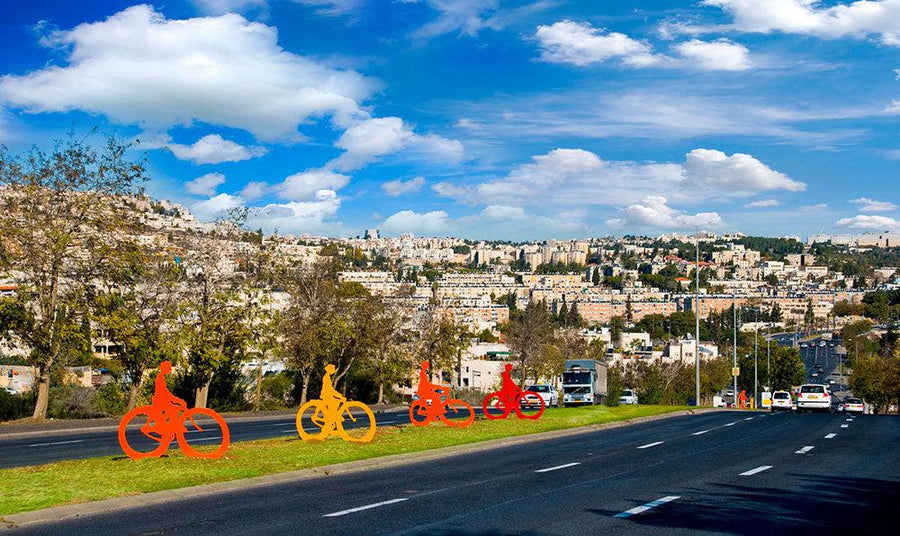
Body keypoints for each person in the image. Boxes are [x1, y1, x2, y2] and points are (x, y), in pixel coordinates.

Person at [144, 360, 187, 438]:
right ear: (165, 368)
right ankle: (165, 429)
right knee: (175, 409)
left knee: (173, 409)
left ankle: (166, 428)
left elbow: (166, 392)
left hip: (161, 399)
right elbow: (165, 392)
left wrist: (175, 400)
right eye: (168, 368)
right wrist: (176, 400)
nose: (170, 370)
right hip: (160, 400)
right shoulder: (160, 378)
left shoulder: (161, 377)